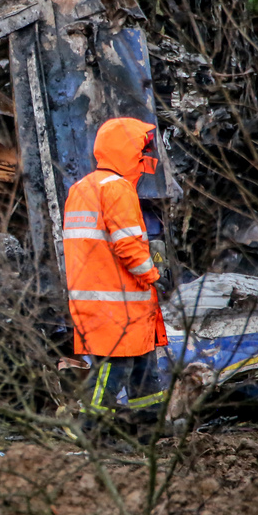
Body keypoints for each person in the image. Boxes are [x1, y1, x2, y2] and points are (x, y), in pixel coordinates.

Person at [62, 117, 167, 423]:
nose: (146, 155)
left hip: (99, 303)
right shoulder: (118, 189)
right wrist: (155, 276)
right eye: (142, 149)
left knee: (142, 369)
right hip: (120, 305)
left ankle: (149, 426)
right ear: (129, 151)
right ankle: (88, 427)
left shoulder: (81, 188)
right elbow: (128, 248)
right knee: (114, 369)